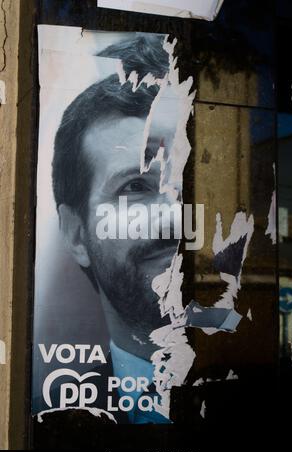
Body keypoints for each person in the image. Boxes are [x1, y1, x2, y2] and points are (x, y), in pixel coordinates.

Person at [47, 35, 240, 424]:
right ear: (76, 234)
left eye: (187, 180)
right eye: (135, 186)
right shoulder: (52, 419)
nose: (174, 213)